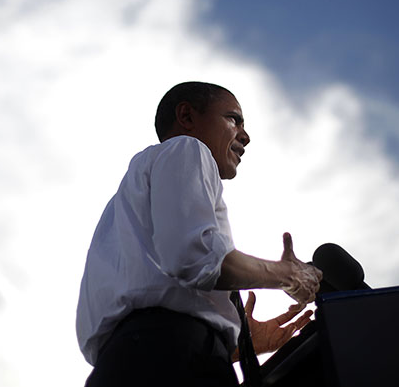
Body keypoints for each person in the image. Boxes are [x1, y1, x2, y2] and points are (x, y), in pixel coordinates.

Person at [76, 81, 323, 386]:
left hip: (129, 362)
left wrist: (233, 342)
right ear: (187, 117)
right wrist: (288, 275)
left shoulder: (125, 210)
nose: (245, 136)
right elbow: (195, 257)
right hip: (167, 358)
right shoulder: (187, 148)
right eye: (233, 119)